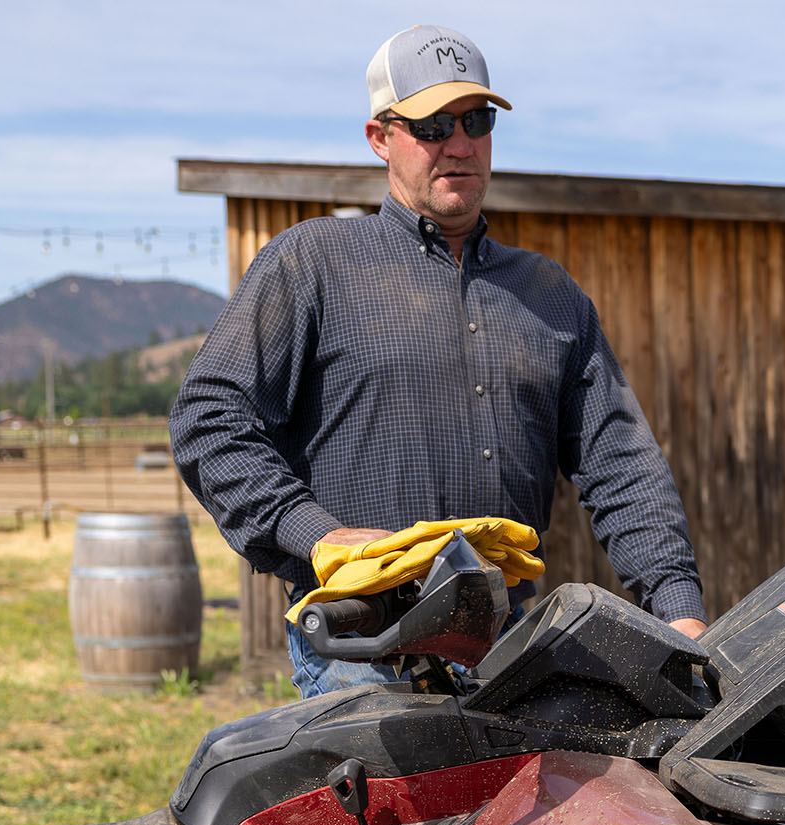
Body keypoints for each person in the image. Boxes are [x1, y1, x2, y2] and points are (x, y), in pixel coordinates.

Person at [171, 24, 707, 696]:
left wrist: (678, 610)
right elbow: (210, 418)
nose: (459, 144)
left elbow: (620, 461)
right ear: (380, 138)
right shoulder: (312, 264)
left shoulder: (548, 294)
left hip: (511, 646)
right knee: (397, 807)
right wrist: (321, 535)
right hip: (362, 649)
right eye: (432, 124)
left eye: (477, 120)